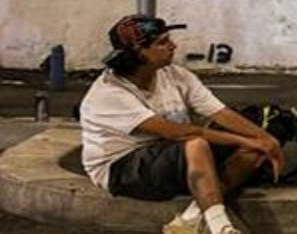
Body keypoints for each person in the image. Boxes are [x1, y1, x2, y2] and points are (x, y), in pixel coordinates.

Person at [80, 15, 284, 234]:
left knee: (264, 133)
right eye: (162, 42)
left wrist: (266, 139)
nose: (173, 46)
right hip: (121, 168)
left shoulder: (174, 75)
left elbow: (219, 112)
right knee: (197, 143)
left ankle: (191, 219)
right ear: (140, 52)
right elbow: (179, 133)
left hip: (175, 155)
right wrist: (252, 142)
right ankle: (220, 227)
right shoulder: (110, 92)